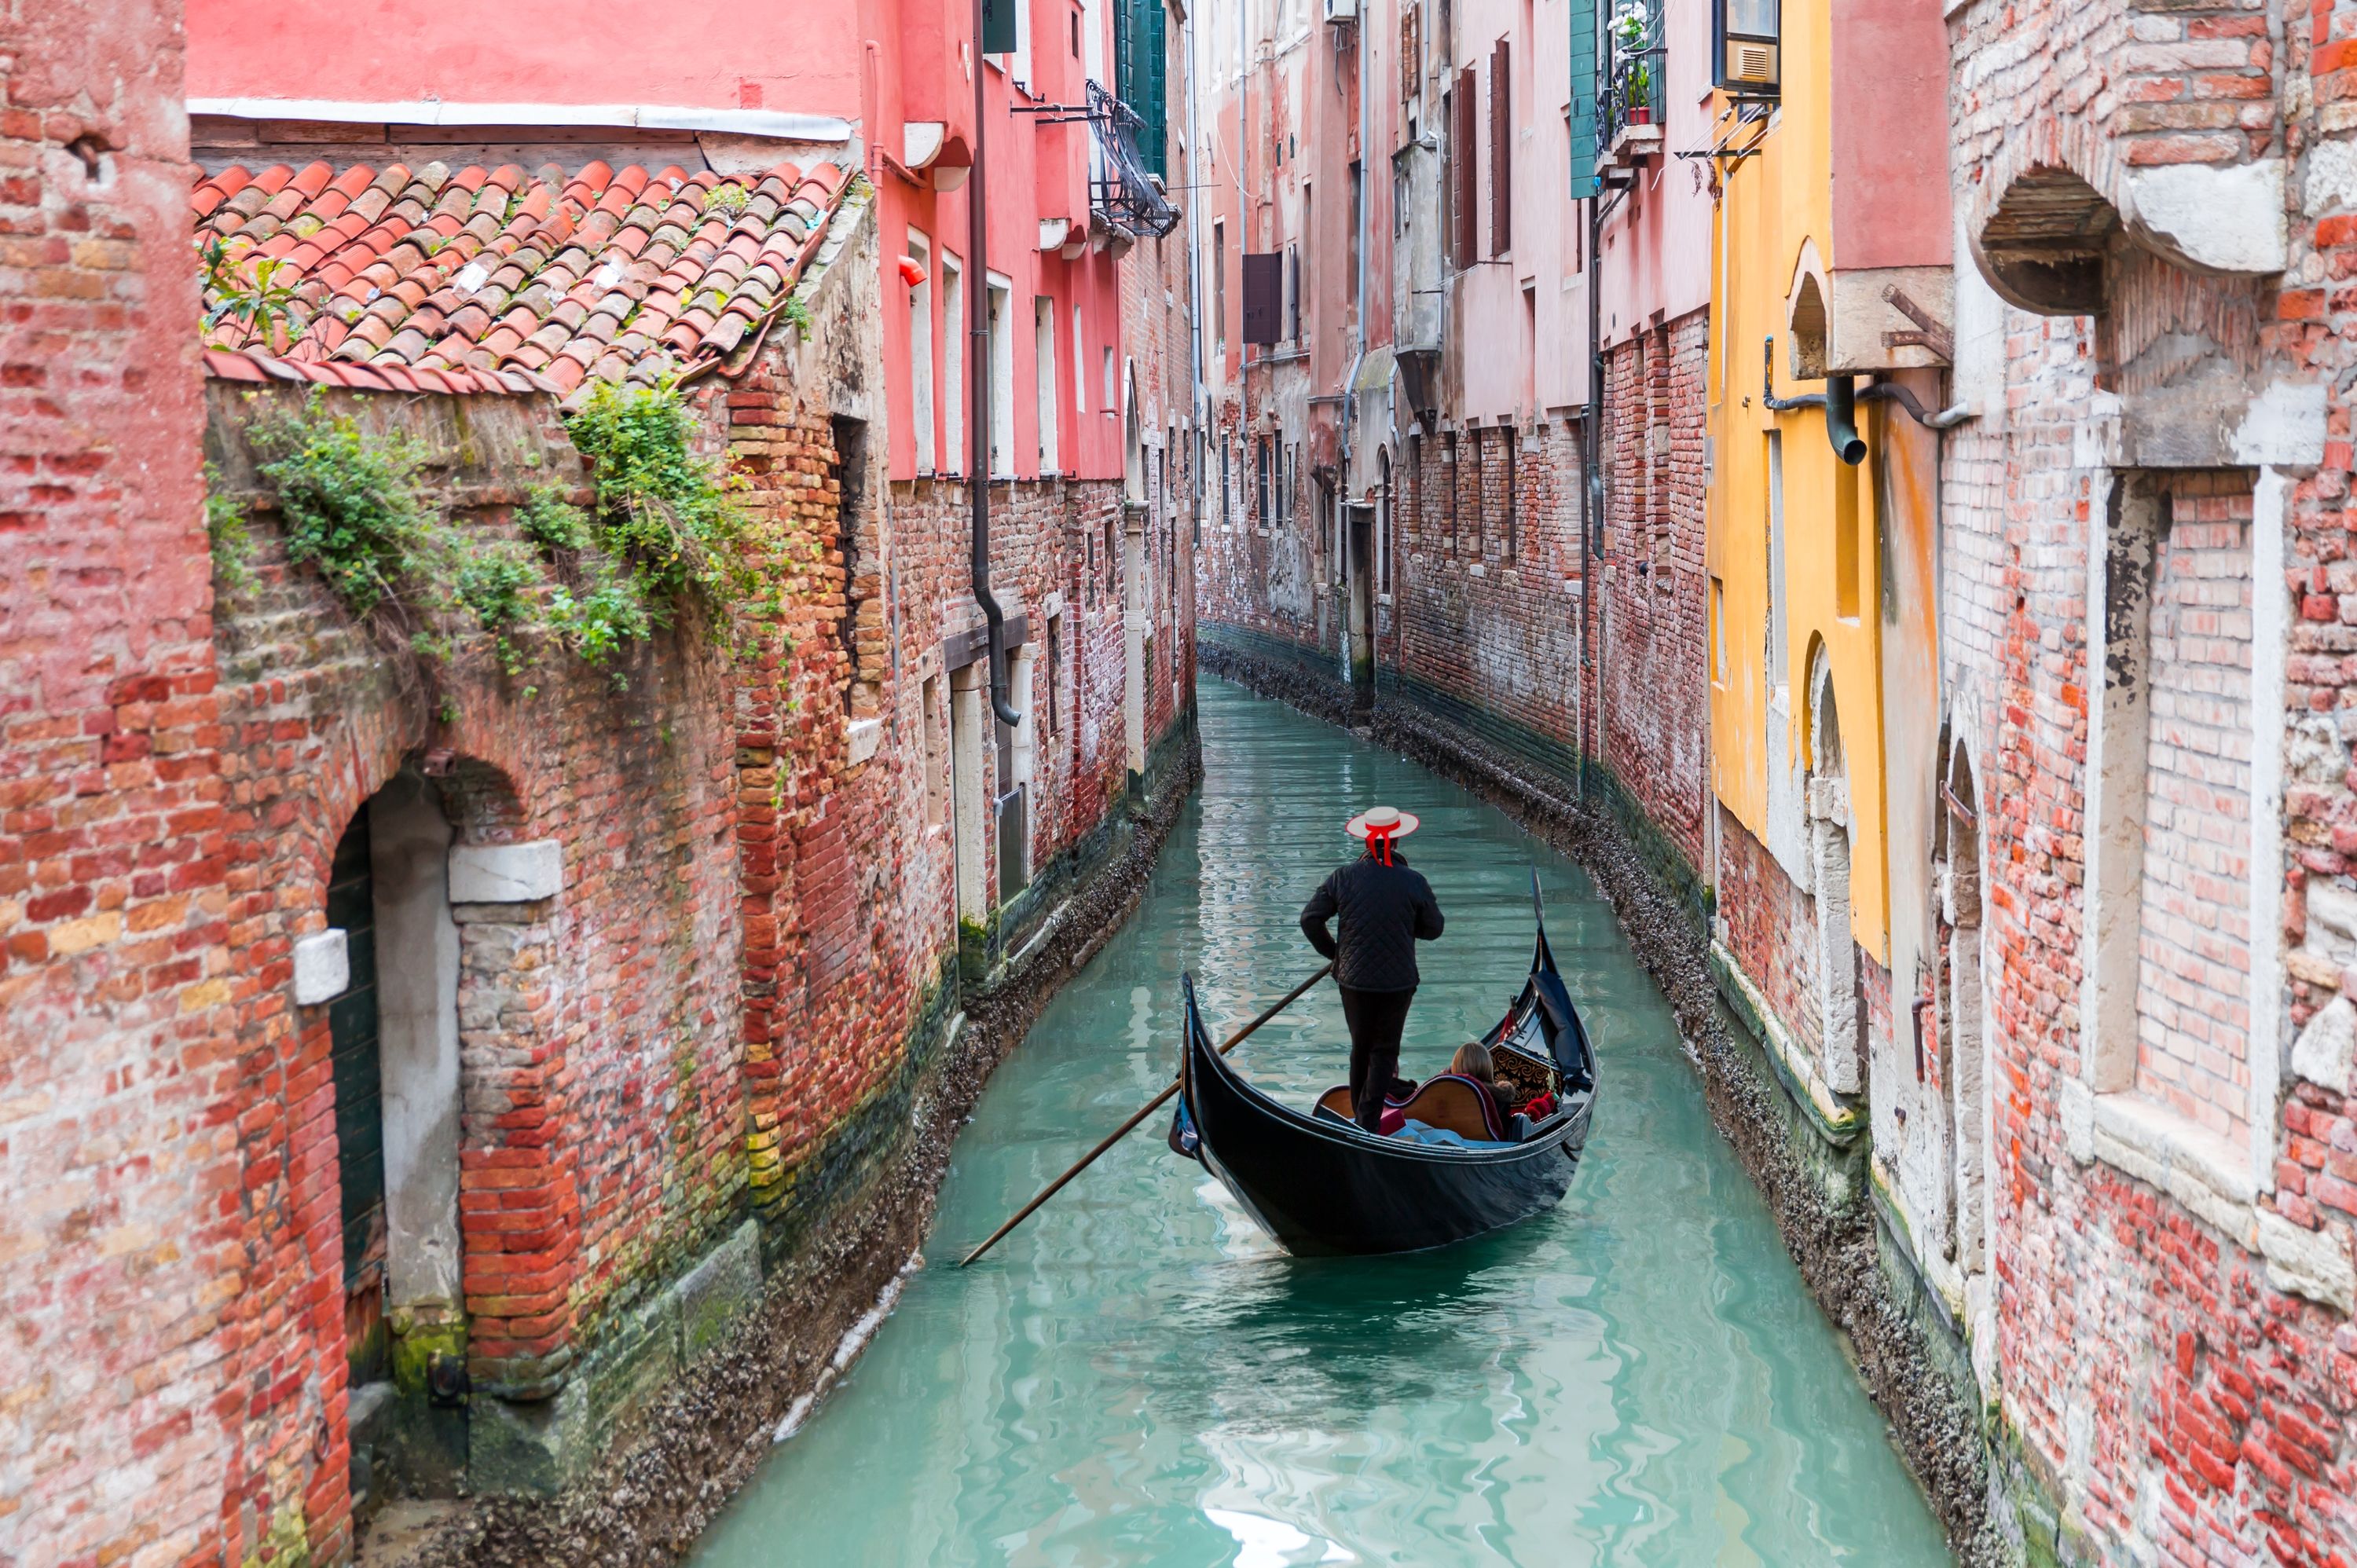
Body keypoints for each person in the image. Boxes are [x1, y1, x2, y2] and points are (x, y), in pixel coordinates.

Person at [1299, 805, 1446, 1130]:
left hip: (1354, 981)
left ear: (1367, 842)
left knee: (1361, 1049)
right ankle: (1366, 1126)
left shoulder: (1342, 878)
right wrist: (1406, 926)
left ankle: (1360, 1121)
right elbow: (1435, 928)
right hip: (1398, 982)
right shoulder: (1413, 881)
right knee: (1384, 1052)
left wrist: (1336, 954)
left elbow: (1310, 920)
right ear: (1394, 842)